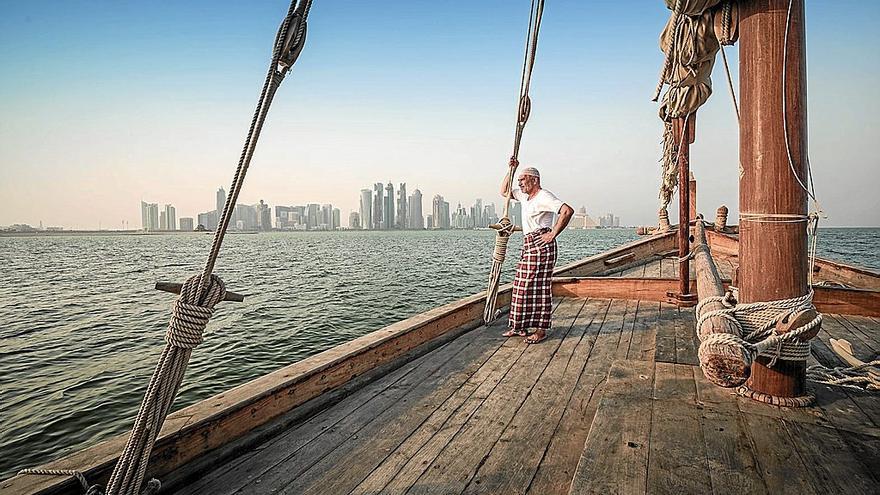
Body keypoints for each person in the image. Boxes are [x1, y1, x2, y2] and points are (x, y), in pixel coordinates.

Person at [500, 157, 574, 344]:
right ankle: (519, 326)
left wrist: (553, 234)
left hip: (541, 244)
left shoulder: (544, 196)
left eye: (522, 180)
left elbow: (567, 211)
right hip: (529, 243)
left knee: (538, 287)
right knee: (520, 285)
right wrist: (512, 170)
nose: (520, 184)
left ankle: (540, 331)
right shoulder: (525, 196)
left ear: (534, 180)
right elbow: (503, 191)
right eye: (519, 182)